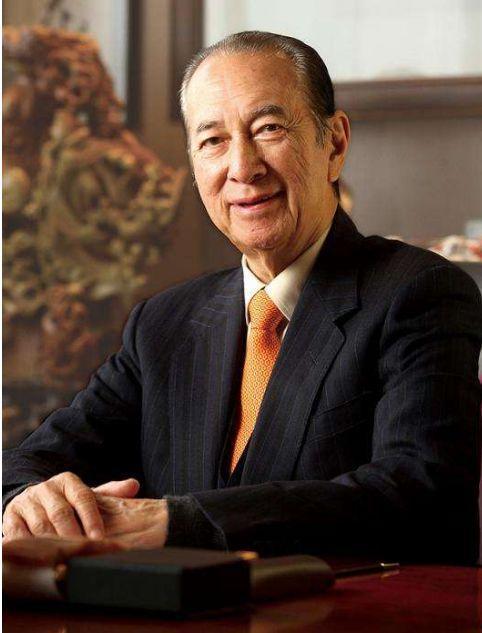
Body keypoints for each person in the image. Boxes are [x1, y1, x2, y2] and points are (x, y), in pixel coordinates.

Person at [3, 32, 481, 563]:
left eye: (268, 128)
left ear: (334, 144)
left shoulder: (418, 293)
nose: (242, 167)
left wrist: (175, 521)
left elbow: (422, 494)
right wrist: (30, 499)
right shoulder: (164, 323)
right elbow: (25, 464)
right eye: (213, 140)